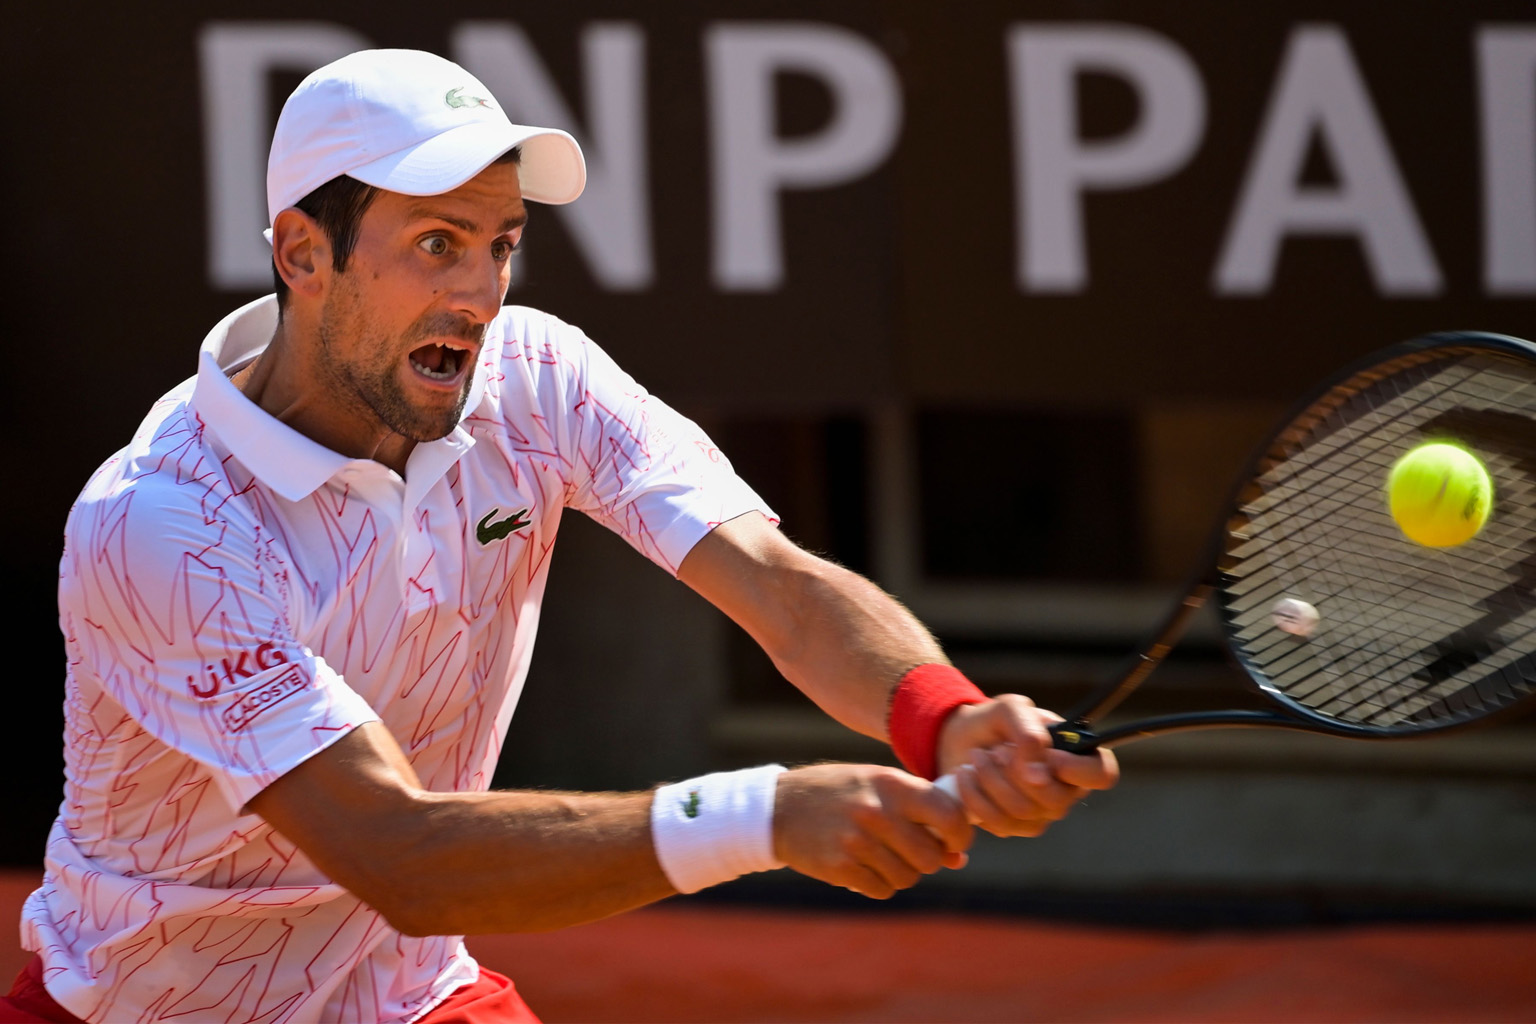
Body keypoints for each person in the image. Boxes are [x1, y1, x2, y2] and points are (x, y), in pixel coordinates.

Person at [2, 49, 1117, 1024]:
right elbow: (401, 853)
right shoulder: (163, 523)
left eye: (500, 244)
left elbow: (776, 583)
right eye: (436, 243)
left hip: (411, 994)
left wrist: (948, 718)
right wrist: (762, 815)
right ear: (303, 253)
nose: (480, 292)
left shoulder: (534, 376)